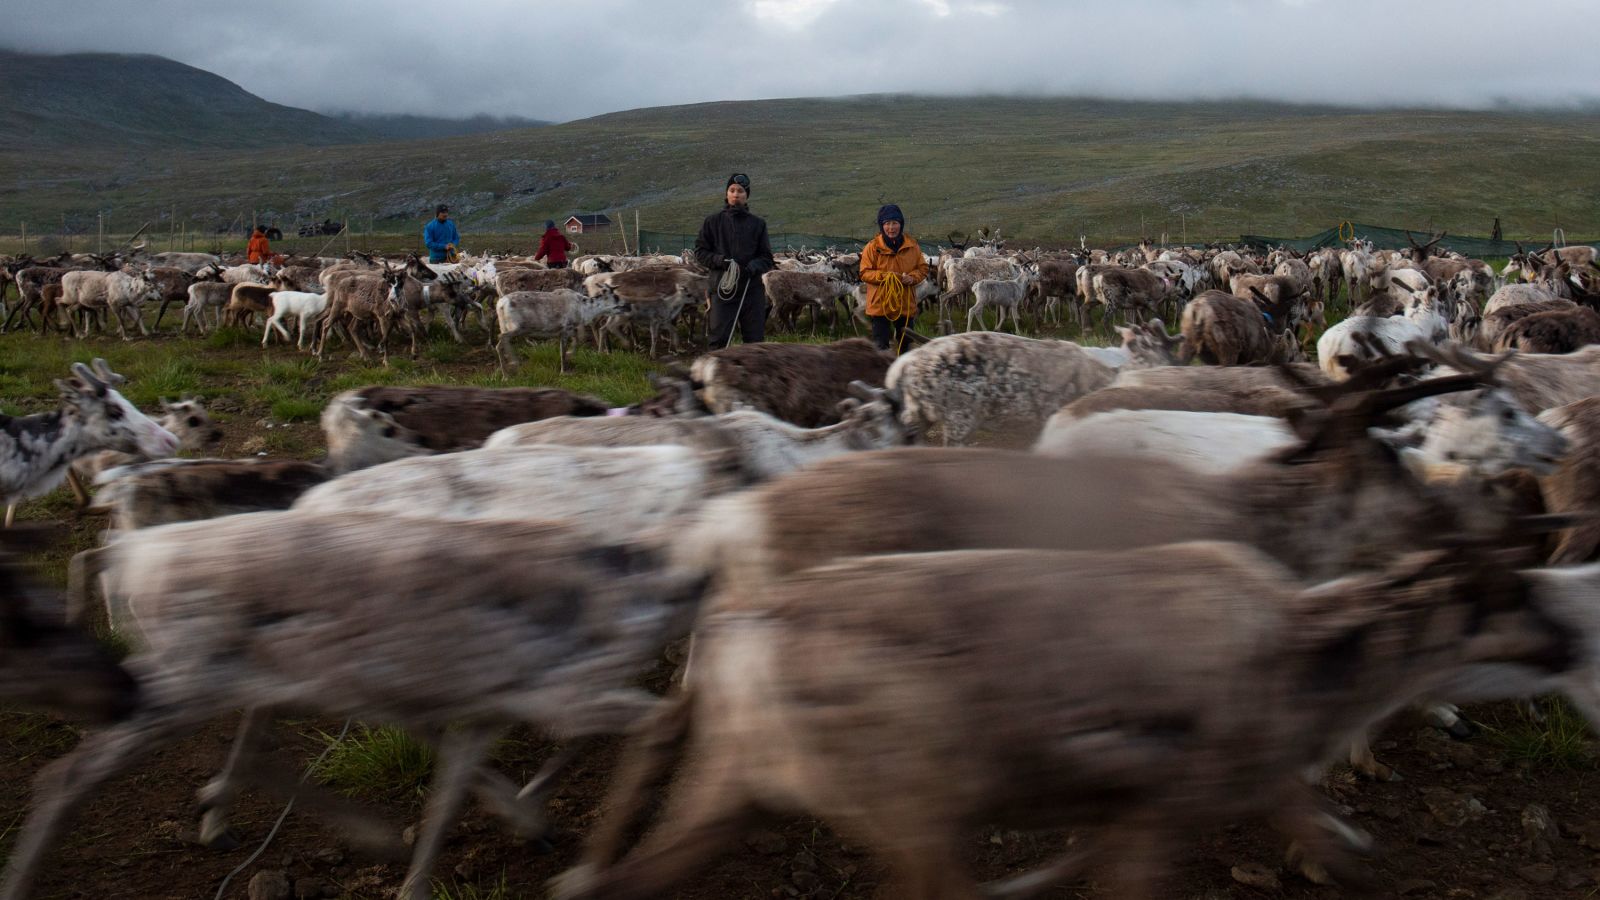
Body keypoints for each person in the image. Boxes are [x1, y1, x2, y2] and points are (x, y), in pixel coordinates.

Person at [694, 173, 775, 348]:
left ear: (747, 196)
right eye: (732, 190)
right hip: (722, 289)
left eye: (740, 191)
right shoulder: (712, 222)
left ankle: (752, 374)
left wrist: (754, 266)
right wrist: (720, 261)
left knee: (754, 341)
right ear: (726, 194)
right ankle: (718, 374)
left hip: (750, 290)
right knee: (719, 339)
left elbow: (767, 258)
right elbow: (700, 252)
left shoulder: (758, 224)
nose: (735, 194)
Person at [858, 204, 925, 353]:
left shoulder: (913, 246)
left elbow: (922, 269)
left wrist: (913, 278)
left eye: (895, 223)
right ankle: (883, 375)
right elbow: (864, 273)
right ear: (882, 226)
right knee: (881, 347)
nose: (891, 227)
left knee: (906, 345)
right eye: (887, 224)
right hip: (880, 304)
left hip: (905, 303)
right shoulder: (872, 247)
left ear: (901, 224)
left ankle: (903, 374)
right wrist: (885, 276)